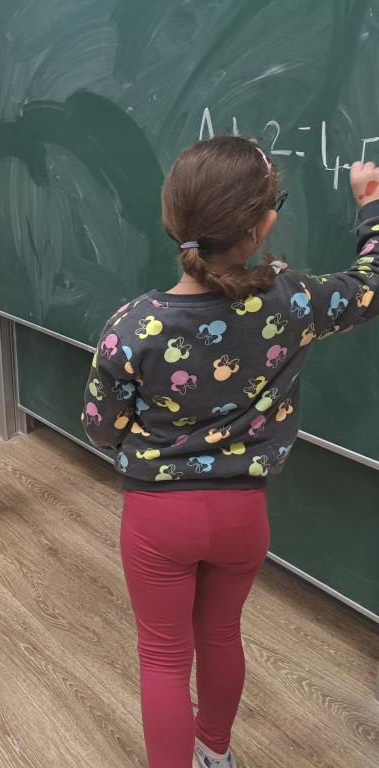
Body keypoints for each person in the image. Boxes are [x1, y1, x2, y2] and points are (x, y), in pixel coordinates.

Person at [82, 136, 379, 767]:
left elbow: (100, 429)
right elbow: (370, 286)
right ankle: (216, 755)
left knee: (163, 659)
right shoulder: (292, 301)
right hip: (243, 513)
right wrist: (371, 208)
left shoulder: (132, 326)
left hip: (157, 518)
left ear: (172, 218)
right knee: (221, 636)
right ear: (263, 224)